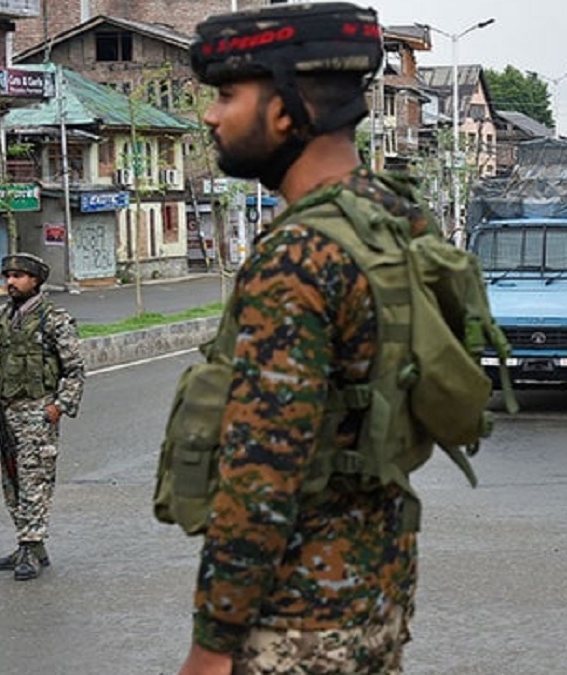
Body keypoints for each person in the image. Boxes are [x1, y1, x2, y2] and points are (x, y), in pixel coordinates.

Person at [177, 4, 422, 673]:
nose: (211, 115)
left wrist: (212, 641)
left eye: (228, 96)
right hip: (377, 590)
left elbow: (262, 477)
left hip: (297, 620)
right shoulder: (393, 216)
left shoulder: (297, 256)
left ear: (286, 112)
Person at [0, 252, 84, 581]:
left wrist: (59, 406)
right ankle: (30, 545)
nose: (10, 281)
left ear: (35, 281)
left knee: (34, 480)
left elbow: (75, 369)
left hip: (38, 411)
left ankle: (30, 543)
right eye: (8, 275)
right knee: (13, 481)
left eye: (19, 276)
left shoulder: (54, 318)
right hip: (4, 412)